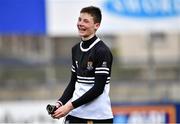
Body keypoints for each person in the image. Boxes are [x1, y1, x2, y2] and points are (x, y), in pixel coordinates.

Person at [52, 6, 113, 123]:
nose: (80, 24)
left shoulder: (102, 51)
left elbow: (98, 89)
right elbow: (73, 83)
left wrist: (69, 106)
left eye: (86, 21)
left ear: (96, 25)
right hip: (75, 114)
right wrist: (60, 103)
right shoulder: (75, 49)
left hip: (97, 117)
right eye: (79, 20)